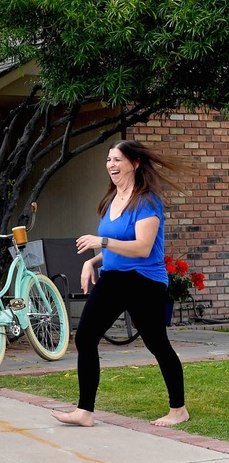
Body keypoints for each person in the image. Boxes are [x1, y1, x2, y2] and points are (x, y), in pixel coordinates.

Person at [51, 140, 189, 429]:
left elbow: (141, 247)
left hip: (144, 281)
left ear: (135, 163)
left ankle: (178, 409)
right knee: (85, 337)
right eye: (108, 160)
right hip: (114, 278)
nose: (111, 165)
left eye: (117, 160)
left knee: (157, 344)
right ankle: (85, 411)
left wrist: (99, 241)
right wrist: (93, 261)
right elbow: (118, 245)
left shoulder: (147, 200)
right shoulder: (111, 198)